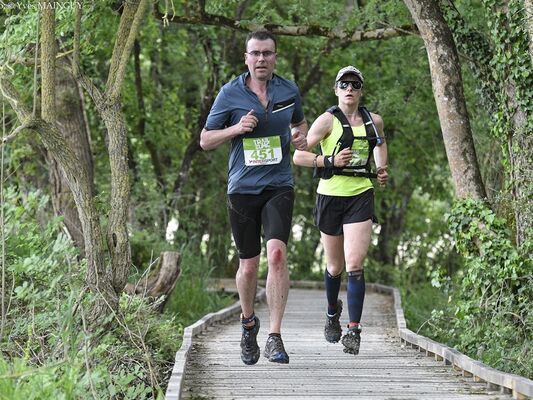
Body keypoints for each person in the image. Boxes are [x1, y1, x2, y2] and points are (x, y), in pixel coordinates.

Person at [200, 30, 308, 365]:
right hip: (242, 188)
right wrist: (235, 129)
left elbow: (300, 125)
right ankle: (248, 323)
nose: (261, 59)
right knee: (248, 266)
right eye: (255, 53)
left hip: (279, 184)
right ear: (246, 58)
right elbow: (205, 140)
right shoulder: (230, 94)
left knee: (276, 255)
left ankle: (274, 336)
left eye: (268, 53)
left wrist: (299, 137)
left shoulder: (288, 90)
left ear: (276, 57)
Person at [293, 65, 388, 355]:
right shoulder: (326, 121)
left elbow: (380, 144)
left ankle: (354, 329)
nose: (349, 89)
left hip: (361, 194)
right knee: (335, 267)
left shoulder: (374, 121)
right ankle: (332, 312)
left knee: (355, 264)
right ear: (336, 90)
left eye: (355, 84)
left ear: (361, 90)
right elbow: (299, 156)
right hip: (330, 196)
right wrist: (329, 160)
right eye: (344, 84)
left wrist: (382, 168)